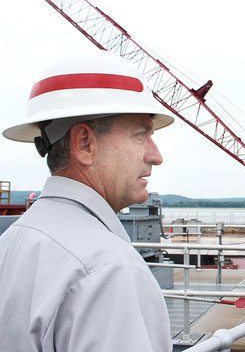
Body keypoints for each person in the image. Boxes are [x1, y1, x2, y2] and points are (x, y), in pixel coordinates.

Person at [0, 49, 175, 351]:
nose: (156, 156)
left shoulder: (12, 240)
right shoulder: (108, 269)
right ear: (84, 144)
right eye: (140, 134)